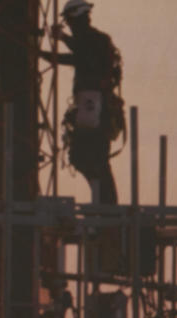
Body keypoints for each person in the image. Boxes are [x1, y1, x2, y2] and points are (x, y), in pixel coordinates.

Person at [45, 0, 123, 204]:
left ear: (78, 19)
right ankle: (105, 206)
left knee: (92, 159)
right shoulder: (92, 42)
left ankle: (106, 209)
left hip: (97, 109)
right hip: (92, 108)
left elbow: (81, 54)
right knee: (88, 159)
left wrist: (57, 43)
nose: (69, 26)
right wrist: (53, 48)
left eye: (70, 22)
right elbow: (78, 54)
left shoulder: (96, 41)